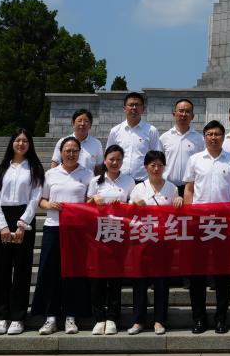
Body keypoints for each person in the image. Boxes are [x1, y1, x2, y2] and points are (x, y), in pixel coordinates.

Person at [184, 120, 230, 333]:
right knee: (197, 274)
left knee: (222, 274)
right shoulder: (195, 159)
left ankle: (221, 318)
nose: (213, 137)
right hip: (199, 222)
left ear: (223, 137)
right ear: (204, 137)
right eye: (210, 134)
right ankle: (198, 318)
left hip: (222, 223)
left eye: (217, 134)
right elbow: (189, 189)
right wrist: (189, 216)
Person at [32, 136, 93, 335]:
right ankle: (50, 316)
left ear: (80, 153)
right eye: (67, 150)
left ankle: (70, 316)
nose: (71, 154)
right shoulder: (50, 174)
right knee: (50, 271)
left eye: (75, 150)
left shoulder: (87, 174)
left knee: (73, 272)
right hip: (54, 227)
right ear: (60, 153)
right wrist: (49, 204)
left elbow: (89, 201)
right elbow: (41, 200)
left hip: (76, 230)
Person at [0, 128, 44, 336]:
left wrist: (22, 224)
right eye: (18, 140)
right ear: (12, 143)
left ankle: (18, 317)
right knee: (2, 270)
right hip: (3, 218)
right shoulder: (1, 167)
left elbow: (35, 198)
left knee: (22, 269)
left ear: (30, 145)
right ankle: (1, 316)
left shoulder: (34, 168)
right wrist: (3, 225)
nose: (21, 144)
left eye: (25, 141)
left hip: (24, 218)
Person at [128, 149, 180, 335]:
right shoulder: (139, 188)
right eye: (152, 165)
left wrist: (179, 201)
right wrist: (135, 205)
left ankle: (159, 320)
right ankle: (138, 320)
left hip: (163, 243)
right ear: (146, 167)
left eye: (159, 165)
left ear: (164, 167)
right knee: (140, 281)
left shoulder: (172, 188)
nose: (156, 168)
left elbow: (177, 215)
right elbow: (128, 214)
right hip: (142, 241)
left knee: (161, 282)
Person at [87, 145, 134, 334]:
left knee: (115, 277)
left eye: (118, 159)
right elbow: (85, 206)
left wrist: (123, 205)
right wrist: (93, 200)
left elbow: (134, 205)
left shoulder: (129, 181)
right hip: (98, 233)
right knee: (97, 277)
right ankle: (99, 317)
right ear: (105, 161)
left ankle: (113, 317)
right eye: (111, 159)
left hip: (118, 233)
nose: (115, 163)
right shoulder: (95, 181)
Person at [106, 91, 162, 183]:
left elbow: (157, 158)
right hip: (119, 181)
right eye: (131, 105)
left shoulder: (151, 131)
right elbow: (108, 156)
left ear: (143, 109)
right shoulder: (115, 131)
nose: (134, 108)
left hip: (142, 182)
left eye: (137, 105)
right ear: (124, 108)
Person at [161, 98, 204, 190]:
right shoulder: (164, 138)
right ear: (174, 114)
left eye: (187, 111)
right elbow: (159, 162)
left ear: (192, 116)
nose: (184, 114)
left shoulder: (200, 139)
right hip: (168, 186)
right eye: (181, 111)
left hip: (191, 188)